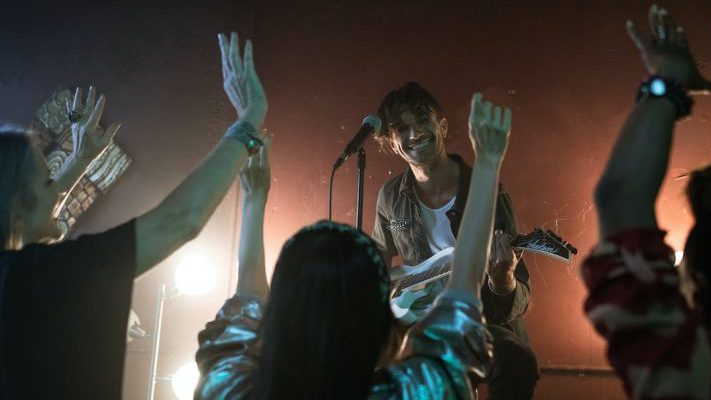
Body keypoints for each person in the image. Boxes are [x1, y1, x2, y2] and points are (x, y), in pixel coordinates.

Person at [0, 32, 267, 399]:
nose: (59, 189)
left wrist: (78, 160)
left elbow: (35, 210)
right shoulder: (44, 277)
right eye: (48, 179)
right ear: (17, 210)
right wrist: (249, 120)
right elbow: (181, 219)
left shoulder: (20, 273)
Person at [194, 92, 513, 399]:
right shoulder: (417, 388)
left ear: (279, 314)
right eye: (402, 128)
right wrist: (488, 160)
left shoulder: (231, 388)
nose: (414, 134)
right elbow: (464, 285)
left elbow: (241, 314)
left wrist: (253, 197)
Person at [583, 2, 711, 398]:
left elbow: (619, 194)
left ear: (696, 293)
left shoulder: (681, 375)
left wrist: (667, 82)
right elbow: (620, 197)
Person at [371, 82, 539, 399]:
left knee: (516, 359)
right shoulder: (390, 196)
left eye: (422, 121)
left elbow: (519, 296)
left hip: (477, 320)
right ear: (392, 144)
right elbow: (376, 267)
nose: (414, 134)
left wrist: (502, 279)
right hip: (413, 324)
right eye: (402, 129)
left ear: (443, 126)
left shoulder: (488, 188)